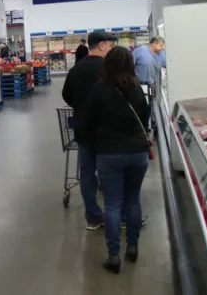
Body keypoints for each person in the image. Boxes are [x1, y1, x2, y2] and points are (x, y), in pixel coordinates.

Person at [78, 46, 150, 273]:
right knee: (133, 200)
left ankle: (113, 256)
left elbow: (86, 123)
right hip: (138, 153)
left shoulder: (99, 90)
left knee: (112, 204)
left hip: (109, 154)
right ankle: (132, 248)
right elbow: (145, 116)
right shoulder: (137, 88)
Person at [62, 31, 118, 230]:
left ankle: (93, 217)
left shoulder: (76, 69)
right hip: (107, 130)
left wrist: (81, 107)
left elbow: (66, 95)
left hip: (83, 130)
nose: (111, 50)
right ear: (102, 45)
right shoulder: (109, 69)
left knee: (86, 173)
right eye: (111, 46)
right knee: (110, 173)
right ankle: (117, 217)